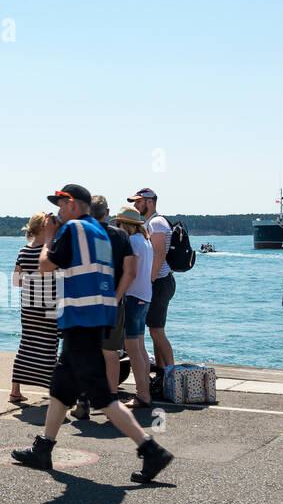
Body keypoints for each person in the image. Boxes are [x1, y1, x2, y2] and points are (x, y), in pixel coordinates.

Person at [11, 185, 174, 484]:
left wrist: (49, 236)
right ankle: (44, 447)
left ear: (73, 204)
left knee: (102, 396)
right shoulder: (101, 232)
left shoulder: (72, 229)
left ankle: (151, 450)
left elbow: (45, 265)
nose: (58, 211)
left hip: (80, 320)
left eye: (61, 204)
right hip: (95, 317)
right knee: (61, 385)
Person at [73, 195, 135, 420]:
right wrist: (117, 297)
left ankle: (83, 401)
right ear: (107, 212)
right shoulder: (121, 235)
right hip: (112, 302)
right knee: (110, 354)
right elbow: (131, 271)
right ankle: (111, 404)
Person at [9, 211, 59, 404]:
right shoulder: (49, 251)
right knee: (49, 344)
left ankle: (15, 391)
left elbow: (16, 281)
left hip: (28, 304)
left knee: (27, 343)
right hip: (48, 303)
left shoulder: (23, 251)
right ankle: (53, 390)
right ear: (44, 228)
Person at [127, 189, 175, 373]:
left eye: (138, 201)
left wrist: (149, 282)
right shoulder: (150, 222)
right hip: (158, 282)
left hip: (160, 282)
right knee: (155, 331)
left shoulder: (156, 222)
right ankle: (163, 373)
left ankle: (172, 375)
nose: (135, 205)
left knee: (157, 331)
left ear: (149, 202)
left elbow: (159, 254)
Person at [112, 205, 155, 409]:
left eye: (119, 223)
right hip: (145, 296)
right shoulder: (145, 241)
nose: (117, 227)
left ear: (126, 224)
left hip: (132, 297)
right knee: (140, 346)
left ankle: (142, 394)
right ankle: (144, 391)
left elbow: (132, 271)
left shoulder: (133, 241)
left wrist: (117, 295)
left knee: (132, 348)